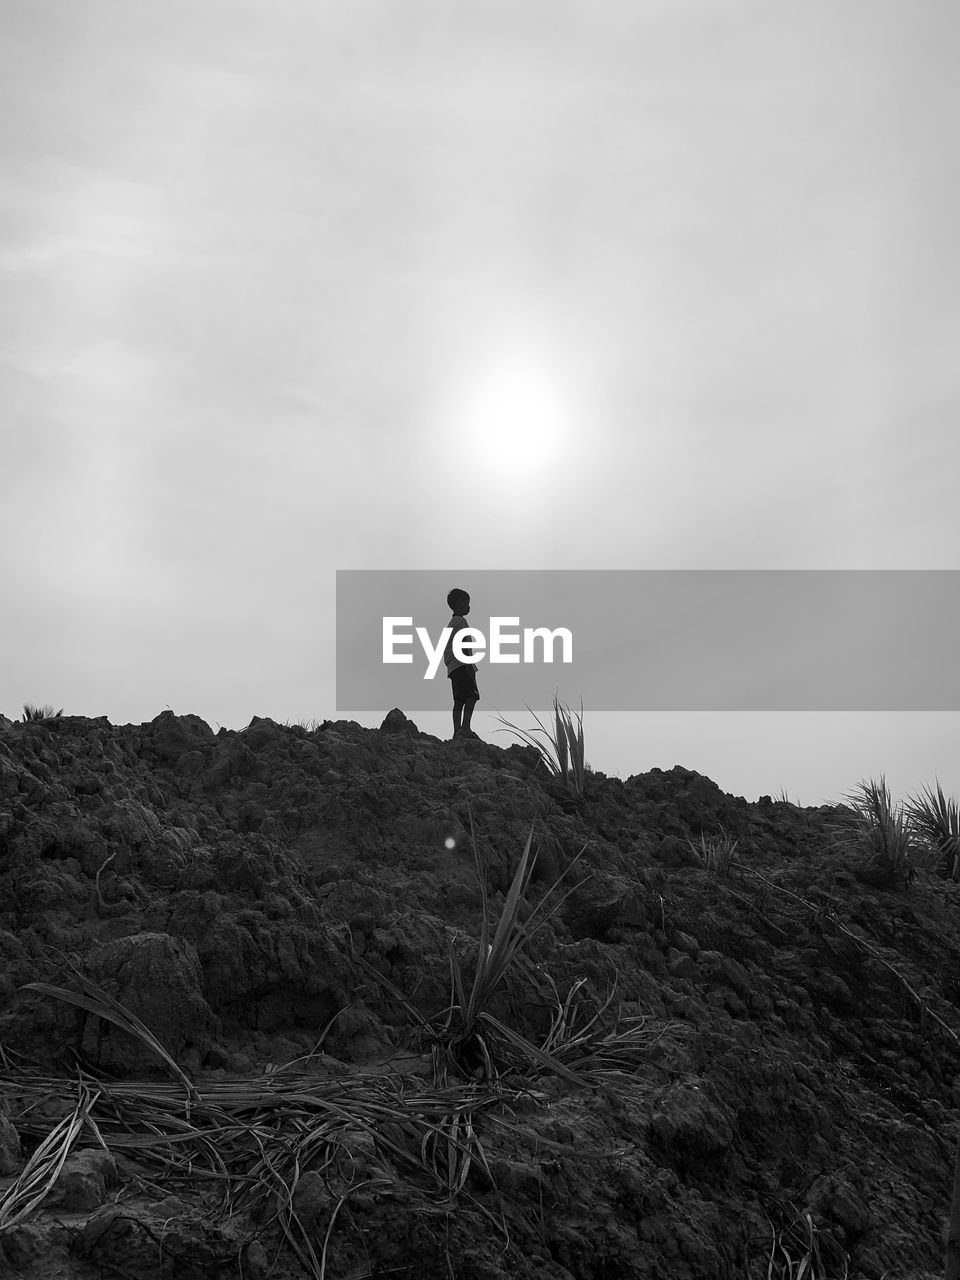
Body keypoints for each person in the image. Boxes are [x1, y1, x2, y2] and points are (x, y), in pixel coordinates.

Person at [444, 587, 480, 739]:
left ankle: (457, 730)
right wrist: (469, 665)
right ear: (459, 603)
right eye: (467, 603)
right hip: (463, 664)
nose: (469, 607)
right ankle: (465, 728)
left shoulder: (452, 623)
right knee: (471, 697)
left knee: (459, 700)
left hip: (454, 667)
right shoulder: (461, 621)